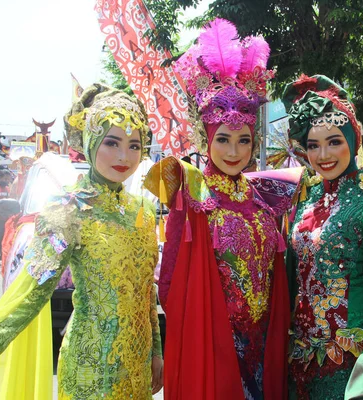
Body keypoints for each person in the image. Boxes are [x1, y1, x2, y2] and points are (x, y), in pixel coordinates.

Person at [0, 84, 163, 399]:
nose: (124, 156)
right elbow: (33, 290)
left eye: (134, 145)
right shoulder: (68, 207)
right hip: (90, 366)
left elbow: (145, 291)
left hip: (137, 367)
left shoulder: (143, 210)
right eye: (111, 143)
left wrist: (156, 351)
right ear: (89, 141)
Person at [144, 18, 291, 400]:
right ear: (206, 138)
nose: (234, 151)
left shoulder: (264, 196)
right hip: (211, 341)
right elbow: (170, 279)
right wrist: (192, 337)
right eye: (223, 139)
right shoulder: (192, 192)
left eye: (244, 140)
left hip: (262, 344)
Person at [282, 74, 363, 399]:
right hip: (300, 354)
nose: (323, 154)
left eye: (334, 142)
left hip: (352, 359)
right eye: (314, 145)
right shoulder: (306, 195)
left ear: (352, 140)